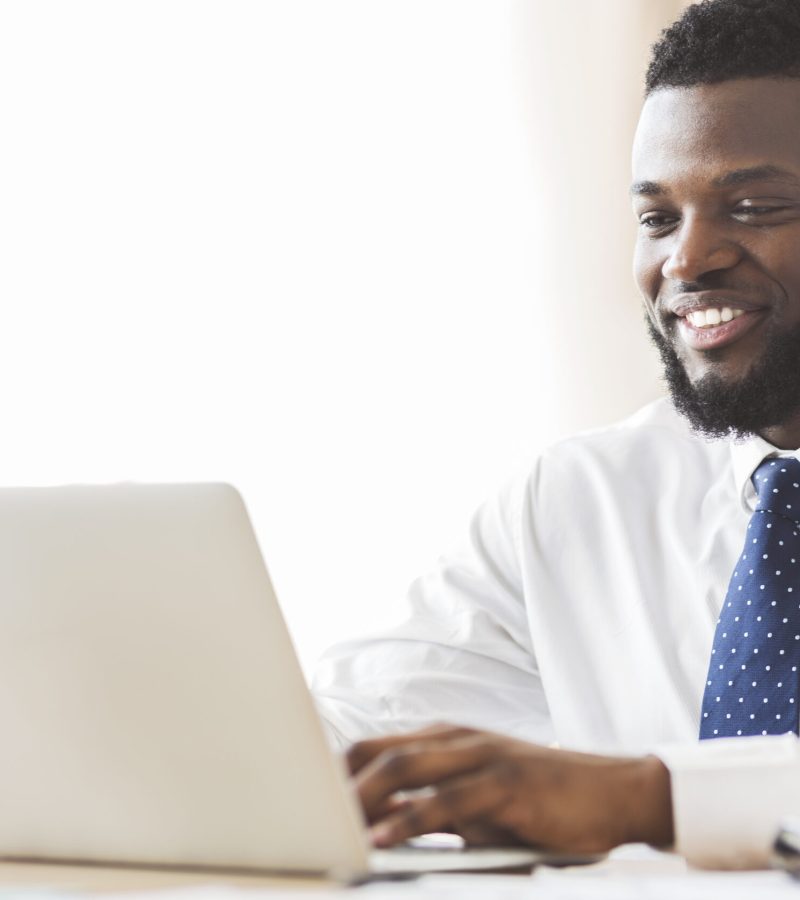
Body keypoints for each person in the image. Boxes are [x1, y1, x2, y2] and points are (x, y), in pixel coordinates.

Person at [313, 0, 800, 869]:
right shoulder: (580, 497)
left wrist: (647, 799)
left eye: (755, 205)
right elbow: (350, 723)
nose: (684, 262)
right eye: (657, 218)